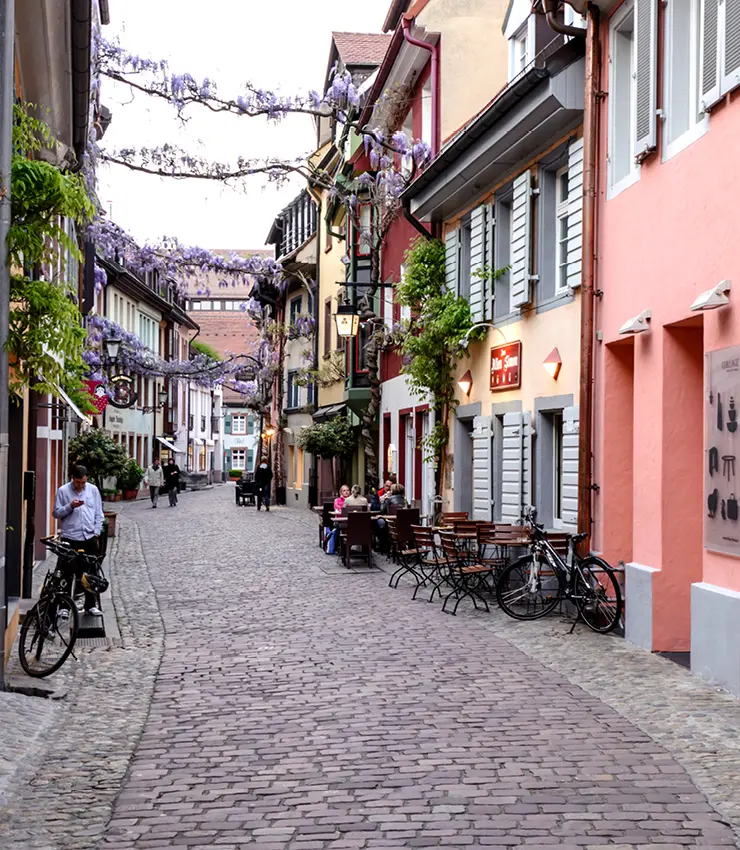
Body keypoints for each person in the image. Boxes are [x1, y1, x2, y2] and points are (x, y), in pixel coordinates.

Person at [52, 465, 104, 616]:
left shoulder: (92, 490)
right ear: (72, 478)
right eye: (77, 482)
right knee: (68, 572)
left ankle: (90, 605)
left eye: (83, 482)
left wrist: (96, 531)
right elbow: (56, 513)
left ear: (86, 478)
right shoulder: (63, 491)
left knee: (90, 573)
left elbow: (98, 512)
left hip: (89, 536)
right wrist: (70, 506)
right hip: (70, 536)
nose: (80, 485)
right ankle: (64, 607)